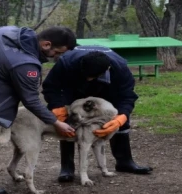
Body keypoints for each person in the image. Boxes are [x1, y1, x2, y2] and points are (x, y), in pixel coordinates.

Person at [0, 25, 77, 194]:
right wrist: (56, 122)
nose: (57, 58)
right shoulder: (25, 64)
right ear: (46, 44)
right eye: (58, 52)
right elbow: (31, 101)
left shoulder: (6, 32)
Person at [42, 45, 153, 183]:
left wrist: (121, 118)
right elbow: (50, 87)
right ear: (81, 64)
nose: (89, 79)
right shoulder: (66, 63)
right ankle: (67, 167)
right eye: (86, 75)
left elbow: (127, 97)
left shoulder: (120, 69)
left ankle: (124, 161)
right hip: (73, 88)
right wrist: (57, 107)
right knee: (68, 124)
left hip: (107, 88)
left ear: (107, 69)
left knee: (118, 117)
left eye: (92, 76)